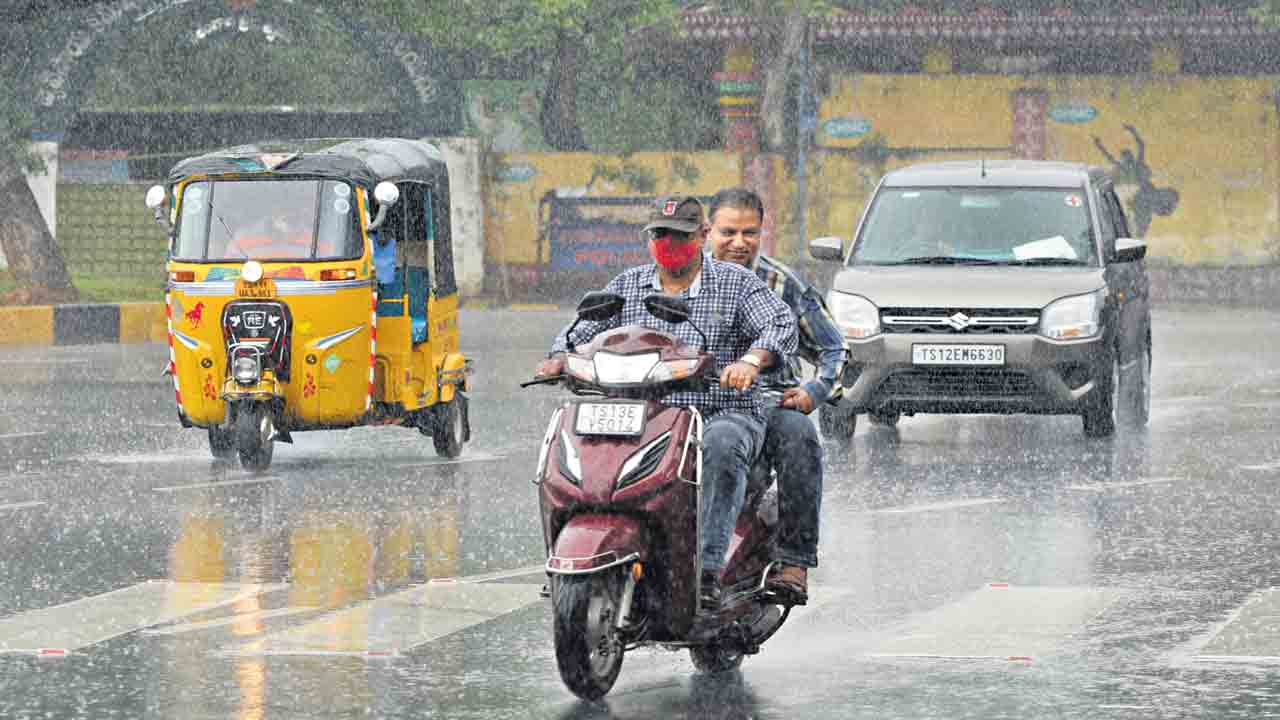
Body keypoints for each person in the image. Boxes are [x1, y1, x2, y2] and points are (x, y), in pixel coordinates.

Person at [534, 195, 797, 611]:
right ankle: (568, 558)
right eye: (661, 234)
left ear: (702, 235)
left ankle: (707, 571)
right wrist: (558, 358)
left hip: (718, 409)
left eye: (680, 235)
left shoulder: (736, 284)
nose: (669, 243)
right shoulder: (627, 285)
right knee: (575, 445)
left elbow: (779, 324)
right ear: (649, 239)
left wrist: (750, 361)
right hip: (642, 415)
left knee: (722, 445)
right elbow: (580, 331)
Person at [705, 187, 848, 603]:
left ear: (762, 233)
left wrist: (815, 391)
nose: (738, 242)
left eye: (749, 233)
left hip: (770, 403)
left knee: (799, 435)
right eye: (728, 232)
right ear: (707, 232)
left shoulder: (784, 284)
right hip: (696, 401)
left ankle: (794, 561)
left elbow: (834, 347)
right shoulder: (685, 280)